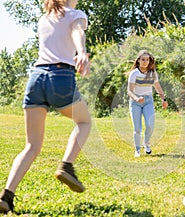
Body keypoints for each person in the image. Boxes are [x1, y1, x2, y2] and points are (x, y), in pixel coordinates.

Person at [0, 0, 91, 213]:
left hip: (36, 78)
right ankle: (67, 165)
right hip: (60, 77)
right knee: (84, 121)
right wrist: (81, 52)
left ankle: (6, 195)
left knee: (31, 145)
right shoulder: (75, 14)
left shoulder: (45, 17)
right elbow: (78, 32)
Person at [127, 50, 168, 157]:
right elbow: (129, 91)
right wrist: (136, 98)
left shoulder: (153, 73)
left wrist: (164, 100)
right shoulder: (134, 73)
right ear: (139, 61)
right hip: (135, 102)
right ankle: (137, 150)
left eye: (147, 59)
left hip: (148, 101)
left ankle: (146, 143)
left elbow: (158, 87)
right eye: (143, 59)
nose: (145, 62)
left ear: (150, 61)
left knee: (150, 125)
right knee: (137, 128)